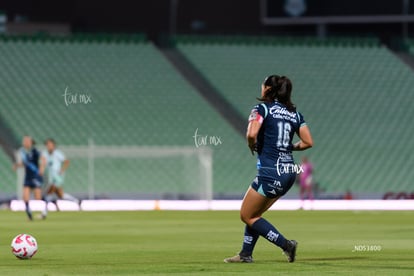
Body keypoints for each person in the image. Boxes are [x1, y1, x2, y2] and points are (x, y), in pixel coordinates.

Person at [224, 75, 313, 263]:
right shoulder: (295, 114)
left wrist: (251, 144)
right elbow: (308, 142)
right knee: (254, 215)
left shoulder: (262, 108)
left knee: (246, 215)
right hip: (289, 172)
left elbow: (251, 133)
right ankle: (245, 254)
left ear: (267, 89)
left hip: (271, 171)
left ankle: (287, 245)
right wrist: (289, 147)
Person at [41, 138, 79, 218]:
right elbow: (43, 163)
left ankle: (44, 212)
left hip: (58, 177)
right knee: (60, 195)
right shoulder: (45, 154)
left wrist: (62, 170)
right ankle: (76, 201)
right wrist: (42, 169)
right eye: (47, 145)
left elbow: (66, 161)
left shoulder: (58, 153)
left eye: (50, 145)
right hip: (51, 177)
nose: (49, 146)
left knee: (49, 193)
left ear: (54, 146)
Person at [13, 136, 45, 220]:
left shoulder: (35, 151)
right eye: (24, 141)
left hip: (35, 176)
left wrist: (41, 169)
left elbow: (43, 160)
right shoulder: (23, 152)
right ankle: (29, 214)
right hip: (27, 177)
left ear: (31, 142)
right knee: (25, 196)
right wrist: (17, 165)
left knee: (38, 197)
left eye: (27, 141)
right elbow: (25, 163)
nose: (26, 142)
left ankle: (45, 209)